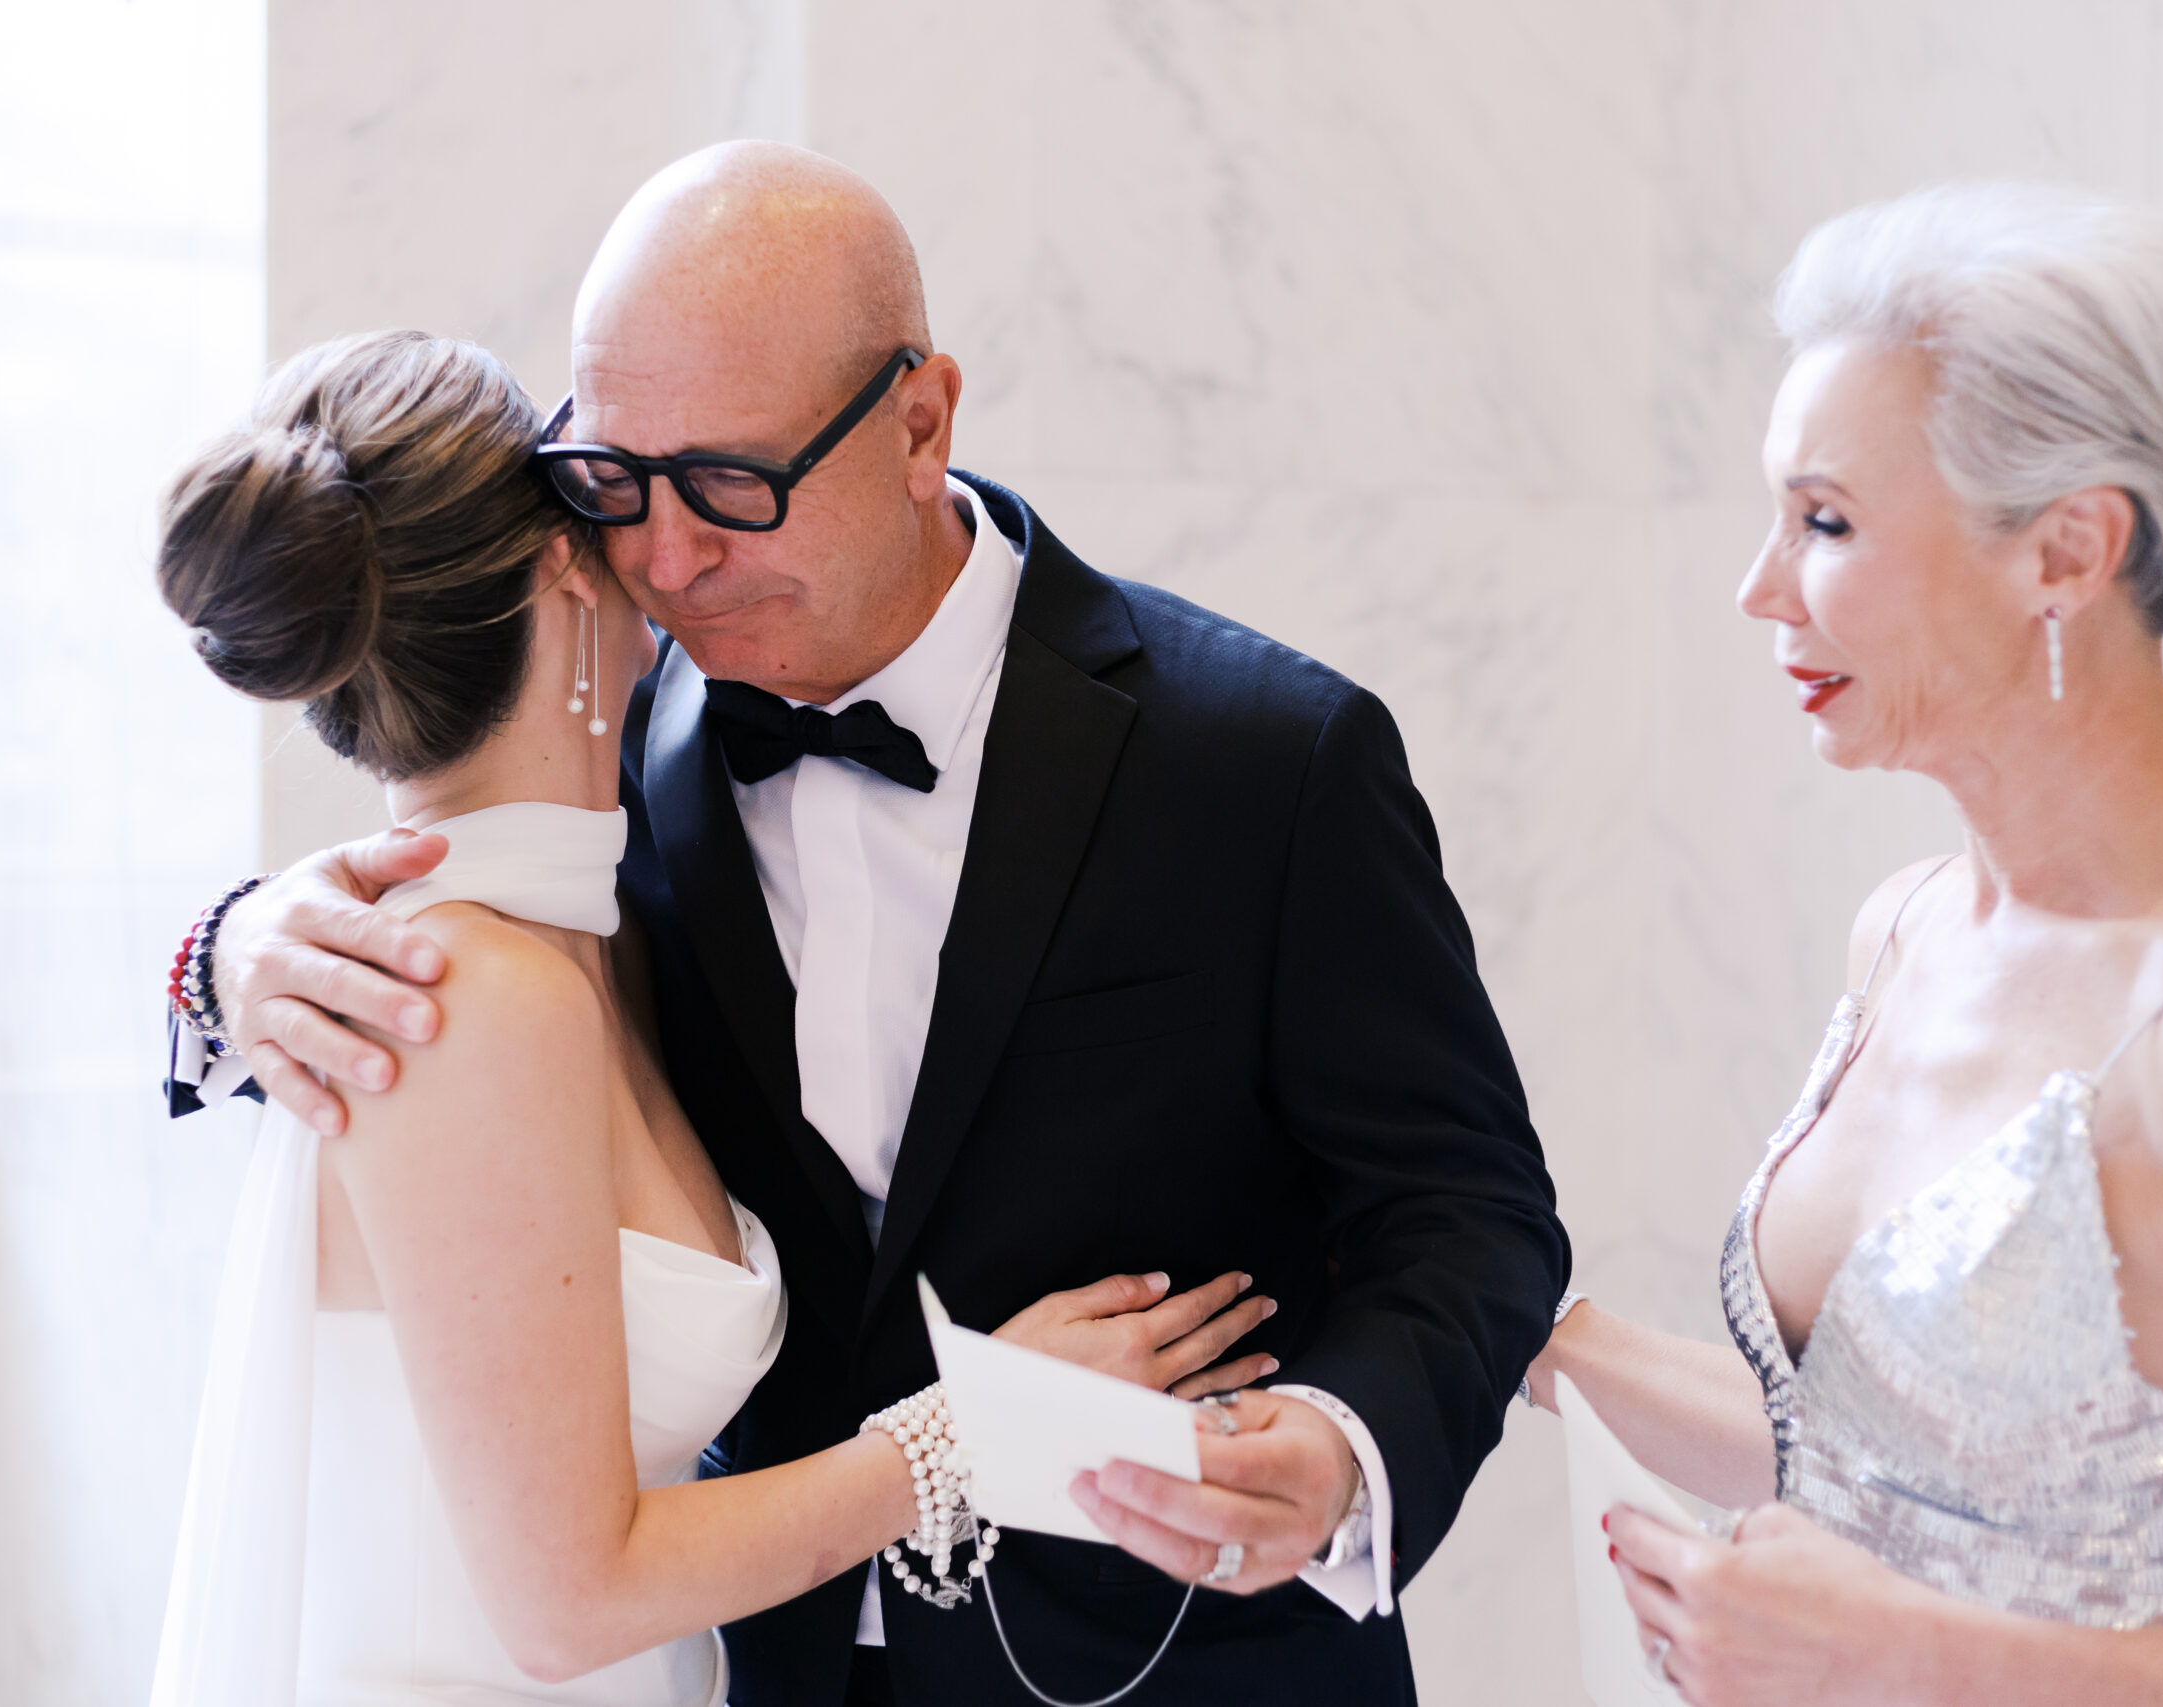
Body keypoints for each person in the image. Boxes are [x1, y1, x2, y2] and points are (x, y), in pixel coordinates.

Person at [170, 143, 1569, 1706]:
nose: (668, 557)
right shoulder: (601, 743)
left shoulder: (1267, 761)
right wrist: (223, 955)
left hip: (1174, 1664)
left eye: (731, 487)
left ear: (919, 424)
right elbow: (421, 979)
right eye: (618, 483)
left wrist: (1341, 1448)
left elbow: (1471, 1216)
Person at [149, 330, 1277, 1707]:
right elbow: (565, 1604)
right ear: (566, 568)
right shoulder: (460, 998)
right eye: (607, 491)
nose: (664, 549)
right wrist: (969, 1434)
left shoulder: (585, 924)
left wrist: (223, 948)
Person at [1526, 183, 2163, 1704]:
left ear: (2066, 553)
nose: (1758, 585)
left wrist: (1916, 1660)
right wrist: (1501, 1327)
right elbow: (1871, 1455)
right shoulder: (1908, 925)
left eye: (1826, 520)